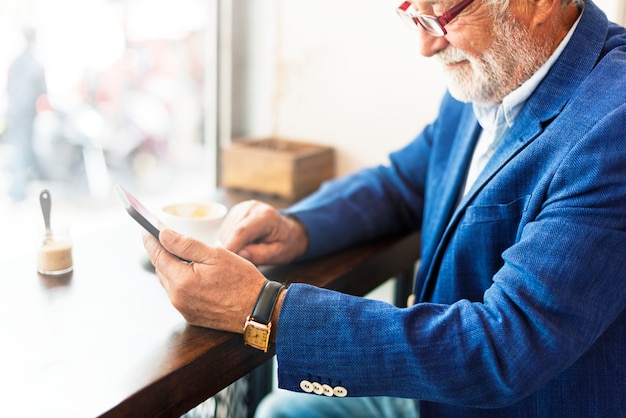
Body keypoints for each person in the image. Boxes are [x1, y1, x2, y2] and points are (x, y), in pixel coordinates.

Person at [143, 0, 626, 416]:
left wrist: (263, 308)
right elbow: (405, 182)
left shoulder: (612, 125)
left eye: (440, 18)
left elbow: (504, 348)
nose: (425, 47)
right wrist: (297, 226)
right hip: (444, 393)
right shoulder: (496, 68)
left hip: (518, 402)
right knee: (284, 410)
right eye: (413, 16)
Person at [5, 27, 48, 202]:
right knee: (23, 149)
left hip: (13, 111)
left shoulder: (16, 62)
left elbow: (8, 88)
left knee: (19, 149)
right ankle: (18, 190)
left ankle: (20, 186)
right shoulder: (36, 63)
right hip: (26, 113)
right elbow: (43, 92)